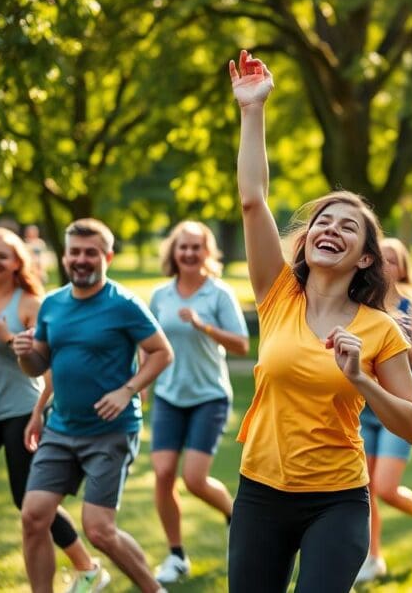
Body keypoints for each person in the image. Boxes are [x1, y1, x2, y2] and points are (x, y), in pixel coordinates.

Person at [228, 49, 412, 593]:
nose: (329, 229)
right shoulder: (278, 295)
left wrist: (362, 379)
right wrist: (252, 111)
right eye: (323, 221)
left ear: (365, 257)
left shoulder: (380, 328)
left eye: (347, 228)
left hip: (336, 499)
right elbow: (252, 201)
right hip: (261, 489)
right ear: (309, 236)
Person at [12, 218, 174, 593]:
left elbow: (161, 352)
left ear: (108, 256)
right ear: (65, 256)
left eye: (91, 252)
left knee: (99, 530)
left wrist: (127, 390)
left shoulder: (124, 304)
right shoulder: (52, 304)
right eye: (75, 252)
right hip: (61, 428)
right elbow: (41, 364)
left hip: (110, 433)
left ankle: (154, 590)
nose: (81, 260)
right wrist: (25, 358)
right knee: (34, 516)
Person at [0, 228, 106, 593]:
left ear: (16, 263)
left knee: (28, 499)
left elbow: (47, 364)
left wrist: (7, 338)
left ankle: (88, 568)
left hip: (23, 410)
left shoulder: (30, 305)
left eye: (2, 256)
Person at [148, 220, 249, 584]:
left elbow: (241, 344)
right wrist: (142, 385)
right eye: (183, 247)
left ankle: (236, 518)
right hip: (168, 396)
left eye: (196, 247)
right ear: (173, 252)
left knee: (193, 479)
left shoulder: (218, 294)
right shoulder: (161, 295)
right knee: (161, 474)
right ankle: (176, 556)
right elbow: (150, 344)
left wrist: (204, 326)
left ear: (207, 253)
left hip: (209, 396)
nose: (189, 253)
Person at [355, 237, 412, 583]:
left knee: (385, 488)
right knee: (365, 489)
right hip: (363, 409)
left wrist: (399, 340)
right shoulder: (362, 305)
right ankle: (373, 558)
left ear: (403, 267)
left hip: (397, 411)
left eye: (393, 260)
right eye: (382, 259)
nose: (386, 265)